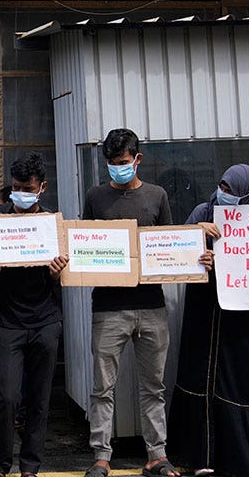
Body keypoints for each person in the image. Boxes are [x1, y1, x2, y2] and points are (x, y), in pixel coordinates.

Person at [167, 164, 249, 477]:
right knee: (198, 370)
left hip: (240, 312)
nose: (224, 195)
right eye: (223, 187)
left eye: (233, 191)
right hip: (203, 306)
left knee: (237, 373)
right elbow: (178, 252)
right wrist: (200, 244)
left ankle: (238, 456)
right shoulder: (203, 210)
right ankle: (195, 454)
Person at [82, 129, 176, 477]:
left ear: (138, 159)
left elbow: (168, 245)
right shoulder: (95, 197)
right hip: (108, 306)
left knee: (154, 386)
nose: (116, 168)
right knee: (102, 387)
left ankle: (157, 455)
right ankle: (101, 457)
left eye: (122, 162)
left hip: (152, 305)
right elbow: (84, 248)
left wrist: (190, 256)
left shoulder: (158, 196)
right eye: (111, 163)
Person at [0, 153, 68, 477]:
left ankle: (30, 466)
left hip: (45, 320)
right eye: (16, 187)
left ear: (42, 188)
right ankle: (0, 466)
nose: (21, 194)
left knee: (39, 399)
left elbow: (65, 278)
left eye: (28, 188)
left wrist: (58, 272)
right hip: (7, 322)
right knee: (5, 397)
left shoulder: (53, 225)